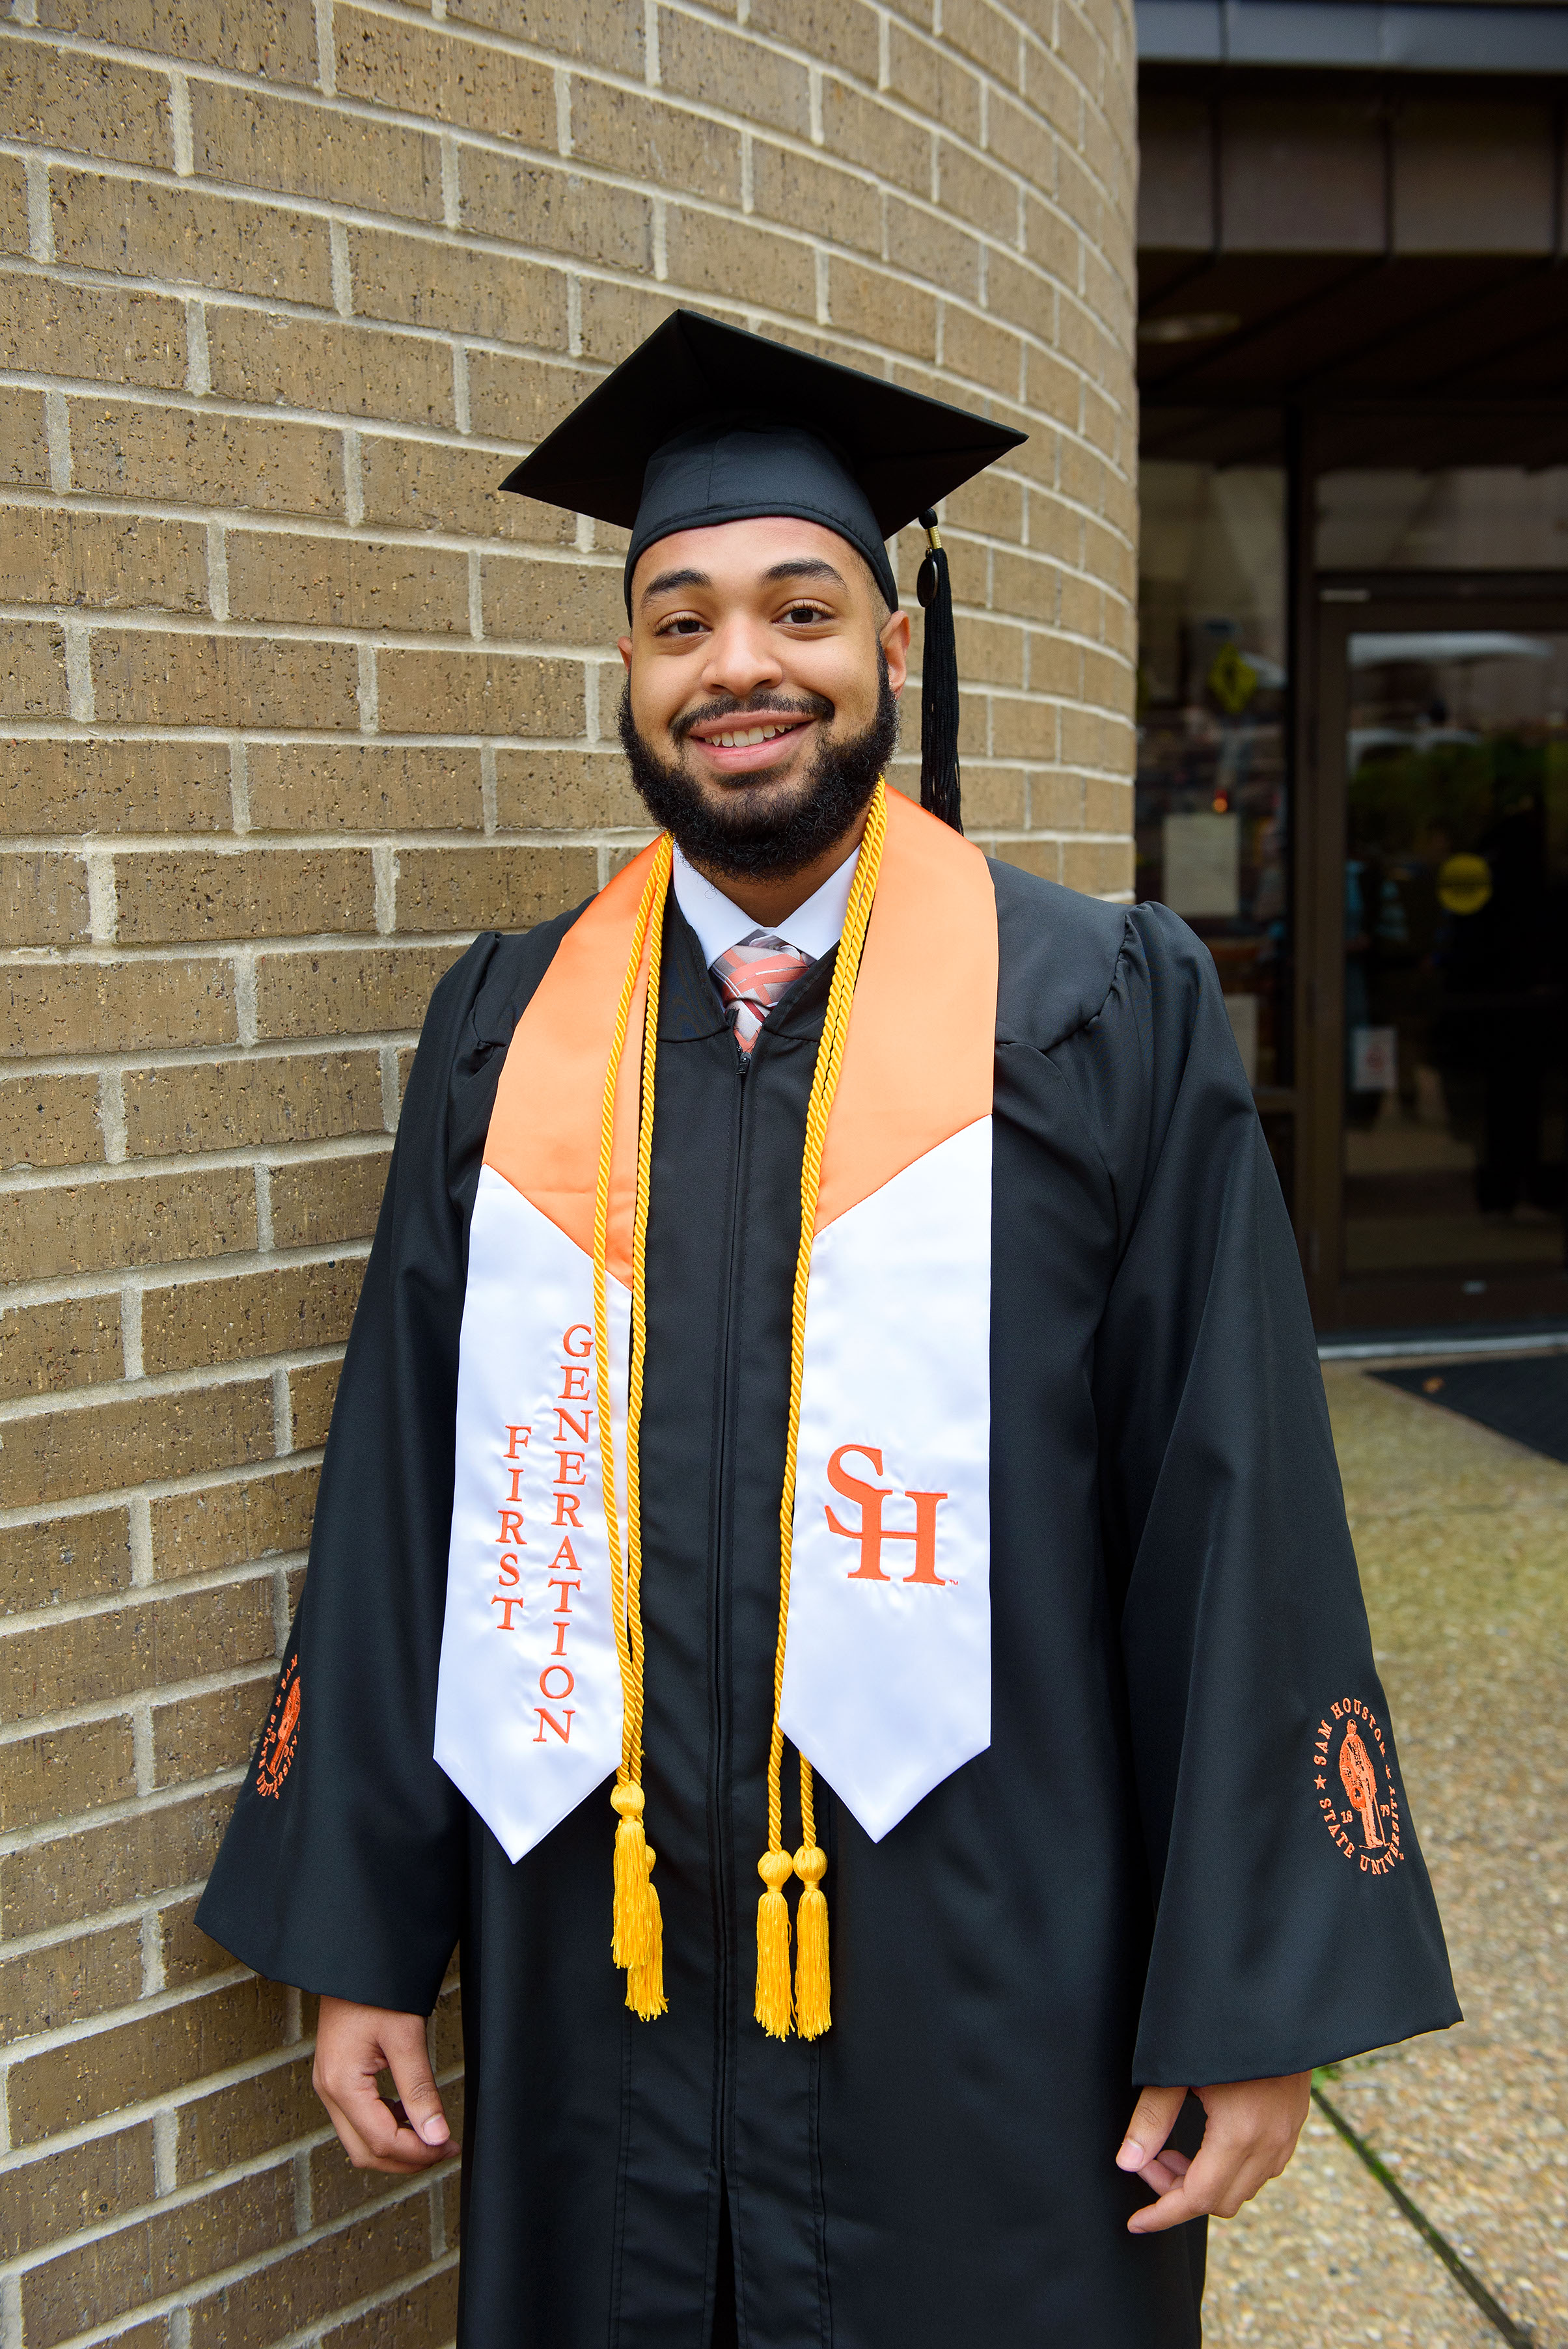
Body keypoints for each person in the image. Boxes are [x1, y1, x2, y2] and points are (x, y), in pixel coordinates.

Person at [199, 311, 1458, 2348]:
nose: (738, 666)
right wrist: (363, 1927)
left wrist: (1253, 1992)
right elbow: (410, 1492)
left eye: (800, 607)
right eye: (676, 620)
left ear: (889, 645)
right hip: (592, 1958)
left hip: (986, 1980)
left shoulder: (1091, 1008)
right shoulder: (511, 1030)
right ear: (629, 673)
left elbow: (1228, 1497)